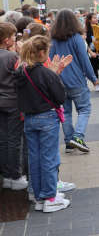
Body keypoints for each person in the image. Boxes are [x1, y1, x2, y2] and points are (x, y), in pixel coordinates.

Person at [15, 35, 69, 212]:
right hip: (47, 117)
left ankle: (39, 196)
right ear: (41, 52)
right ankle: (50, 197)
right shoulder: (45, 73)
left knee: (35, 158)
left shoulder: (21, 72)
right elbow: (60, 97)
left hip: (29, 118)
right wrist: (55, 75)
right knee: (49, 158)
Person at [49, 10, 98, 153]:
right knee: (84, 109)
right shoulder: (76, 38)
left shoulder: (53, 39)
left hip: (59, 81)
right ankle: (78, 137)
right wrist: (93, 78)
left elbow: (51, 60)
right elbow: (84, 60)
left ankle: (69, 143)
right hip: (76, 80)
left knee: (66, 112)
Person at [0, 23, 25, 190]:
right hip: (13, 102)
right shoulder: (11, 57)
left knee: (3, 140)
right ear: (7, 40)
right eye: (14, 37)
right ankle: (15, 175)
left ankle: (6, 175)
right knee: (14, 140)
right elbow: (22, 76)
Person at [85, 12, 99, 91]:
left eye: (96, 17)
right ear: (89, 20)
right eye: (94, 18)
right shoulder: (86, 29)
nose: (96, 19)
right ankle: (96, 84)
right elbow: (85, 41)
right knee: (94, 67)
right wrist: (90, 51)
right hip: (91, 51)